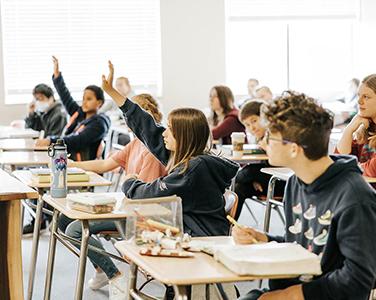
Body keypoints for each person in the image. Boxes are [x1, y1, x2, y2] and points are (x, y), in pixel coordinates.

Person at [233, 91, 376, 300]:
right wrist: (262, 238)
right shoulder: (295, 182)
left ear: (294, 149)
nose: (262, 145)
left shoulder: (355, 197)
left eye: (270, 138)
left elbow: (357, 281)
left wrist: (291, 295)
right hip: (291, 289)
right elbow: (301, 244)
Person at [102, 60, 239, 237]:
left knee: (134, 228)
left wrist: (128, 182)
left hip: (201, 240)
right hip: (188, 231)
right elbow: (149, 129)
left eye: (171, 130)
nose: (164, 134)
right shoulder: (186, 156)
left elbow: (151, 193)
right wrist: (113, 93)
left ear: (184, 137)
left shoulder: (193, 170)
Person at [58, 93, 167, 299]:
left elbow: (143, 197)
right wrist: (73, 165)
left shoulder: (153, 150)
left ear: (148, 116)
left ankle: (114, 275)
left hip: (138, 213)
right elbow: (104, 164)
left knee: (74, 230)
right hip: (124, 205)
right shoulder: (135, 143)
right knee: (64, 218)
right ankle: (101, 270)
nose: (127, 122)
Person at [335, 73, 376, 299]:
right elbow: (338, 162)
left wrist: (353, 165)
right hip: (372, 202)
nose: (359, 102)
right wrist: (348, 130)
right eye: (359, 96)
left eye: (366, 97)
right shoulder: (365, 128)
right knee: (336, 216)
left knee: (348, 219)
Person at [35, 56, 111, 162]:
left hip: (82, 166)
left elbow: (77, 140)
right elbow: (66, 97)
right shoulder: (81, 114)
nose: (84, 102)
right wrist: (57, 76)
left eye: (89, 99)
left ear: (99, 102)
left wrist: (51, 141)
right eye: (83, 99)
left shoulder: (99, 124)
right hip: (68, 159)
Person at [233, 100, 285, 220]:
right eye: (247, 125)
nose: (252, 128)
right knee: (240, 188)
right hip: (267, 179)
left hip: (281, 180)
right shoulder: (260, 138)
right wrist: (254, 180)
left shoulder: (276, 134)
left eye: (254, 121)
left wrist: (267, 147)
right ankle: (226, 228)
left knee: (246, 173)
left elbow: (280, 161)